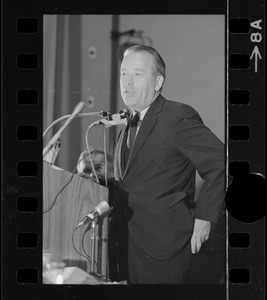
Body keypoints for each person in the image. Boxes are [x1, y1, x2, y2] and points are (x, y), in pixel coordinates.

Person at [113, 45, 225, 284]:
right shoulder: (129, 122)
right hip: (129, 245)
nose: (127, 82)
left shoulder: (177, 116)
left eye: (137, 74)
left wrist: (204, 218)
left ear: (157, 82)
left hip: (165, 247)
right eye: (124, 73)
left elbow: (220, 163)